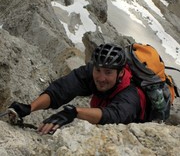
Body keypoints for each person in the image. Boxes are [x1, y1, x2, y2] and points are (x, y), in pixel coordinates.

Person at [9, 43, 146, 135]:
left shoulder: (131, 93)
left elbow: (114, 115)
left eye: (108, 72)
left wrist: (74, 112)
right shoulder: (90, 73)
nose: (101, 77)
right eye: (98, 70)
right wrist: (30, 107)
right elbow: (61, 89)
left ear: (121, 72)